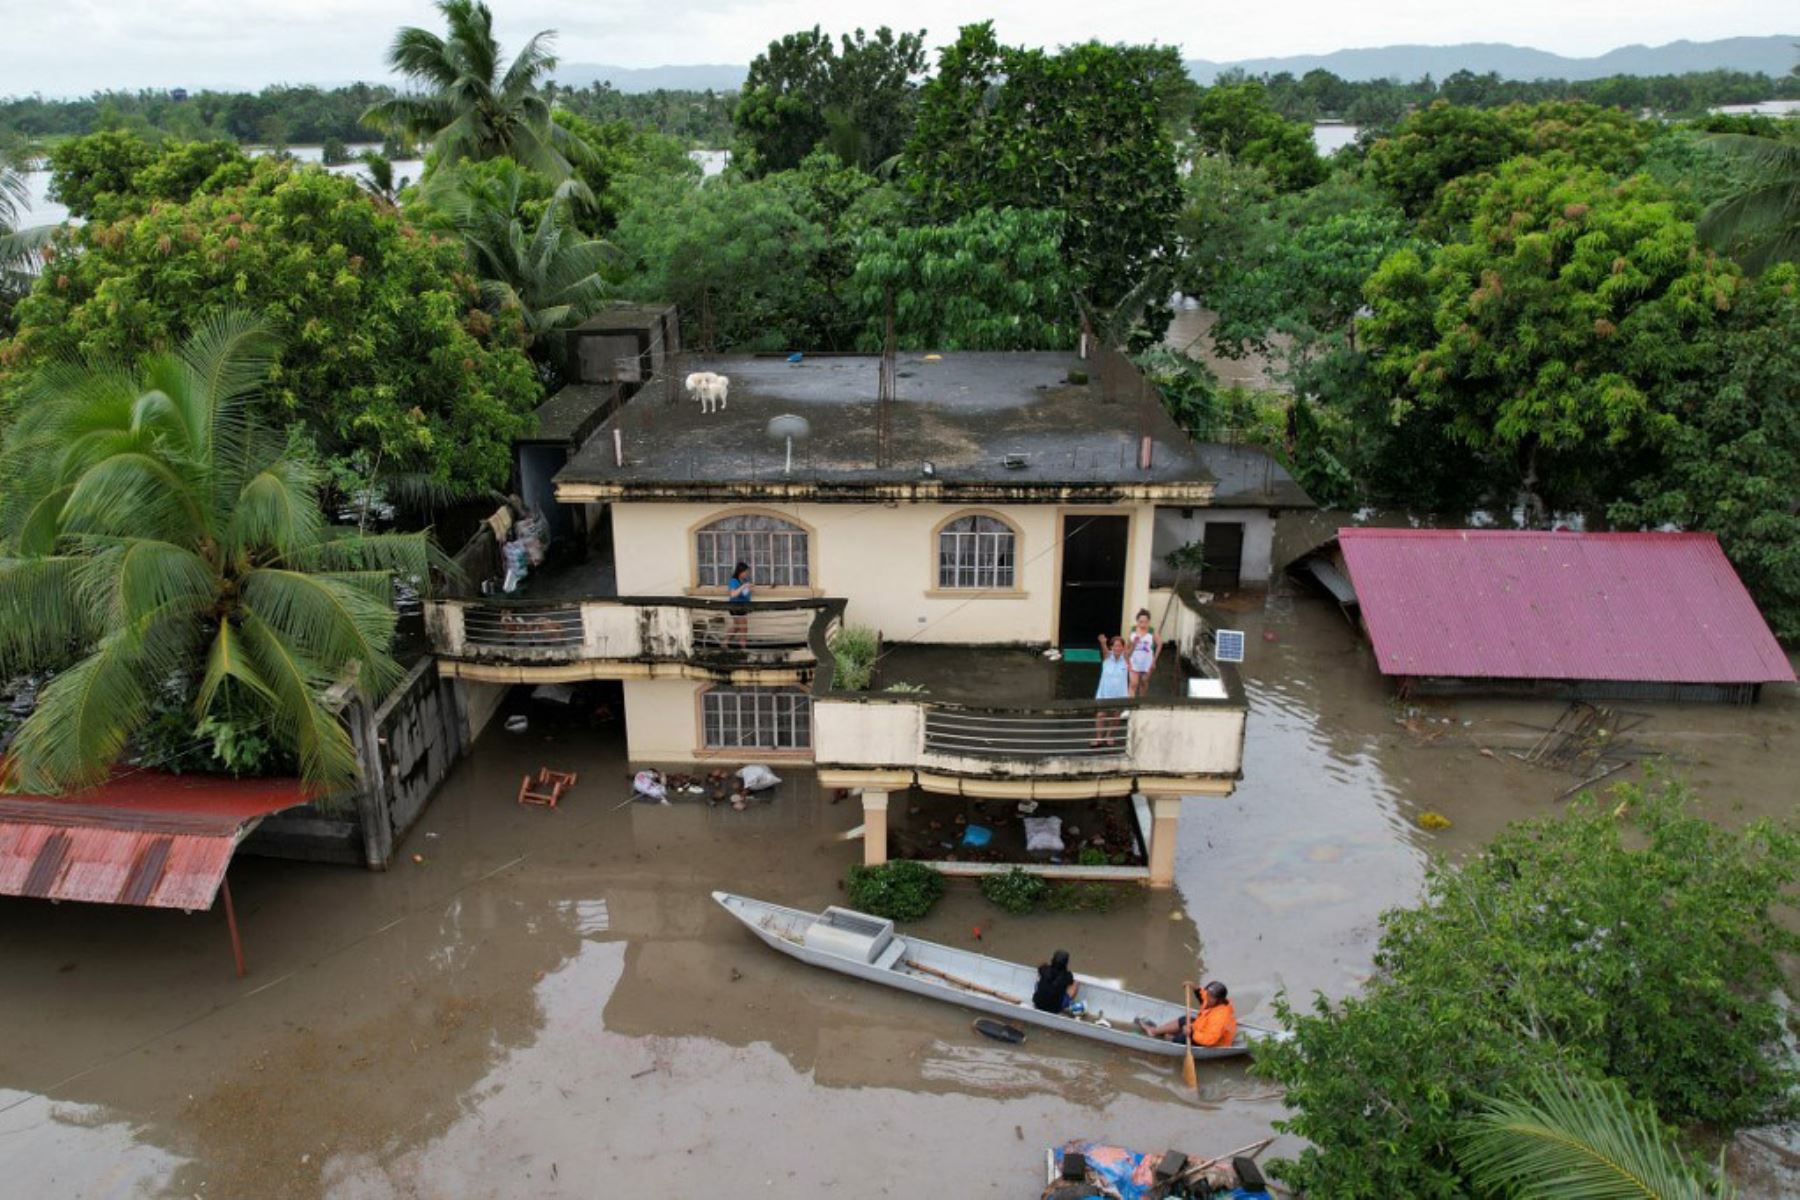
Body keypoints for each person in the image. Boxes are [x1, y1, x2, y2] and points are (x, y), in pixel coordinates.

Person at [1137, 980, 1237, 1048]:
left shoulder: (1220, 1016)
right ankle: (1154, 1031)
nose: (1207, 997)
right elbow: (1203, 997)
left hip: (1216, 1043)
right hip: (1204, 1029)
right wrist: (1195, 988)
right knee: (1185, 1019)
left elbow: (1210, 1040)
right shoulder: (1212, 1000)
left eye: (1211, 997)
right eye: (1208, 994)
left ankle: (1170, 1038)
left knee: (1183, 1039)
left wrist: (1192, 1033)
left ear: (1219, 1000)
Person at [1092, 634, 1130, 747]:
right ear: (1111, 647)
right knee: (1100, 715)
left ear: (1123, 648)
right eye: (1115, 646)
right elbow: (1104, 650)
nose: (1117, 648)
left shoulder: (1126, 659)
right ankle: (1098, 738)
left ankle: (1109, 735)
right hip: (1104, 693)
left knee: (1115, 716)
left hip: (1119, 694)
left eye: (1120, 646)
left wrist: (1134, 642)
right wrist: (1103, 642)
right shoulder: (1107, 657)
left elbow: (1131, 649)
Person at [1032, 949, 1081, 1015]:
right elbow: (1070, 983)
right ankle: (1064, 1003)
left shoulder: (1044, 968)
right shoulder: (1067, 975)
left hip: (1037, 1003)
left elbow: (1040, 967)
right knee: (1075, 984)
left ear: (1052, 959)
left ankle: (1042, 995)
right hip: (1055, 1009)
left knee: (1040, 977)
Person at [1126, 608, 1161, 698]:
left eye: (1145, 622)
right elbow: (1128, 645)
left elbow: (1160, 644)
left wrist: (1154, 659)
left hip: (1147, 661)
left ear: (1148, 621)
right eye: (1140, 621)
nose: (1143, 624)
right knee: (1133, 683)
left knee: (1143, 682)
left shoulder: (1152, 631)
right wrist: (1126, 659)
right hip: (1134, 660)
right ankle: (1130, 706)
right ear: (1137, 621)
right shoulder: (1133, 630)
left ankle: (1141, 702)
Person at [727, 561, 753, 648]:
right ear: (740, 571)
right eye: (745, 572)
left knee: (737, 627)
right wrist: (743, 587)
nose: (747, 573)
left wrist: (748, 588)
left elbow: (745, 594)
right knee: (743, 628)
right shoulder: (734, 581)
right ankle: (743, 647)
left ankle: (724, 642)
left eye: (747, 572)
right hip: (736, 607)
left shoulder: (744, 580)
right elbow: (733, 594)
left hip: (743, 607)